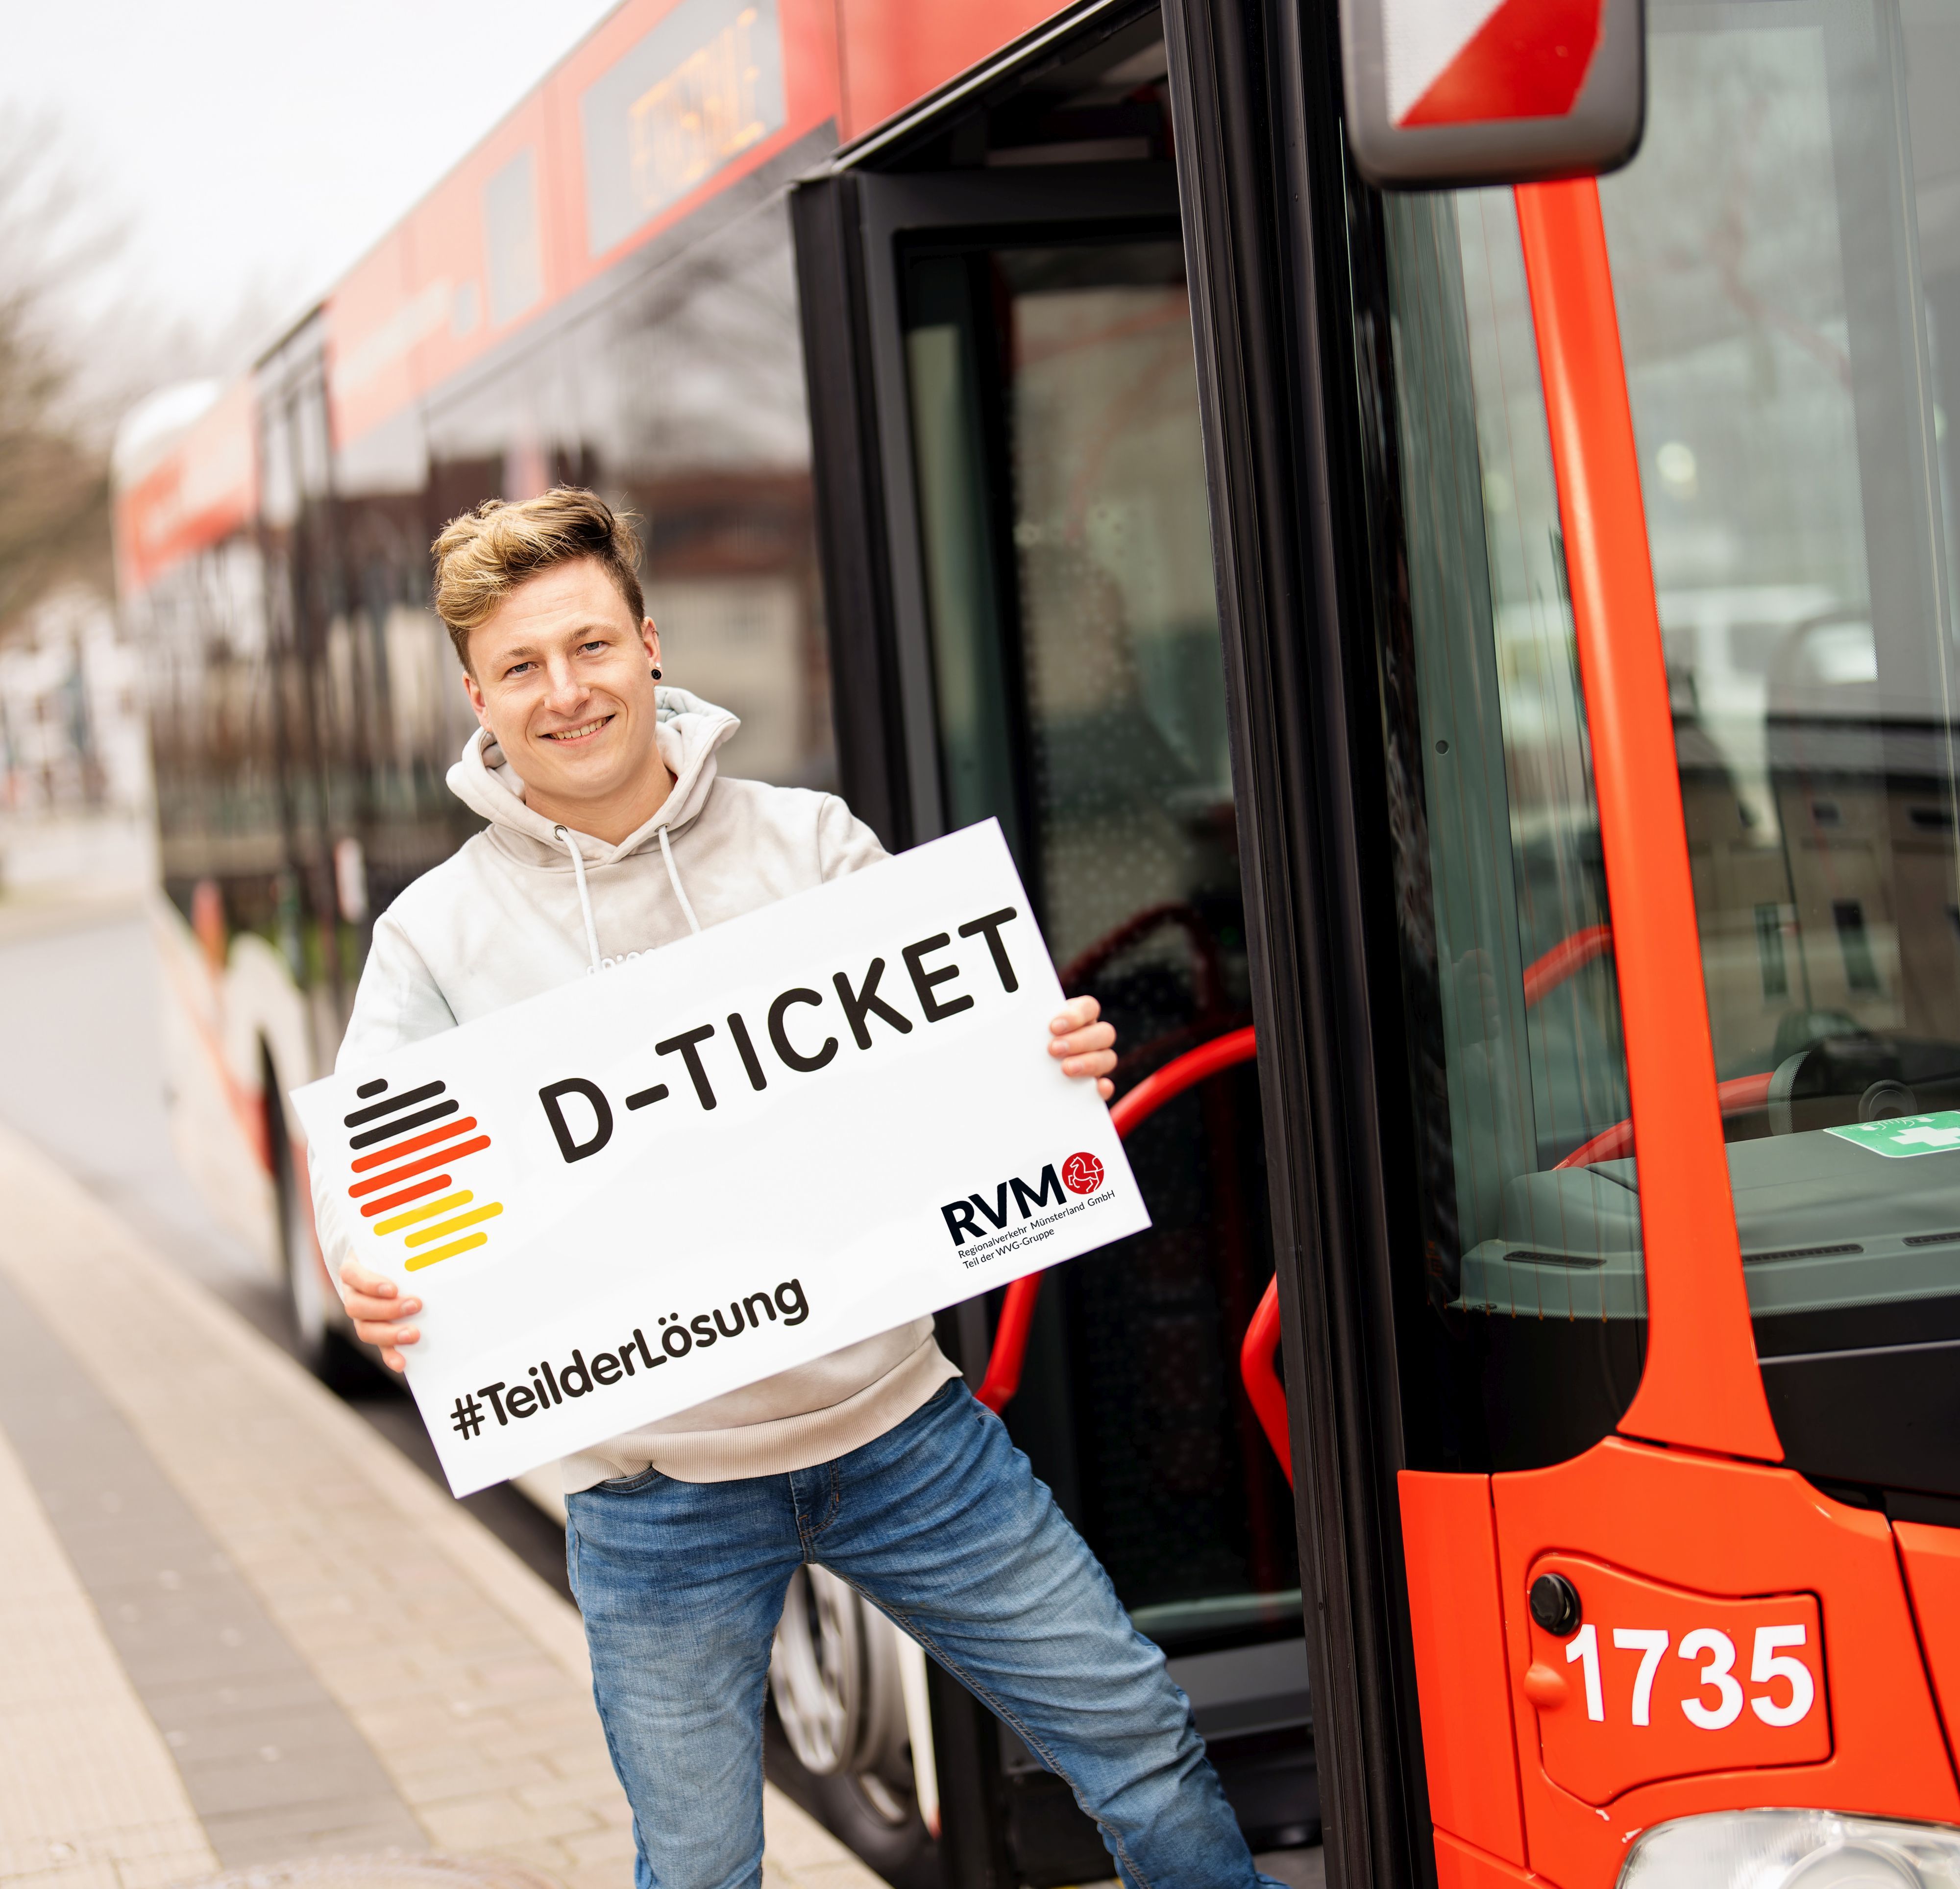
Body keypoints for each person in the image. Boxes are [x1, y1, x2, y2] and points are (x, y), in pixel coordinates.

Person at [326, 489, 1285, 1889]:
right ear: (478, 695)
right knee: (702, 1868)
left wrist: (1050, 1057)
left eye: (590, 646)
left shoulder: (810, 845)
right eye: (523, 666)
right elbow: (370, 1169)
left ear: (650, 645)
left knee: (1142, 1745)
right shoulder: (437, 937)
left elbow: (974, 1061)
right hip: (661, 1497)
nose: (567, 690)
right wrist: (369, 1269)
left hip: (904, 1433)